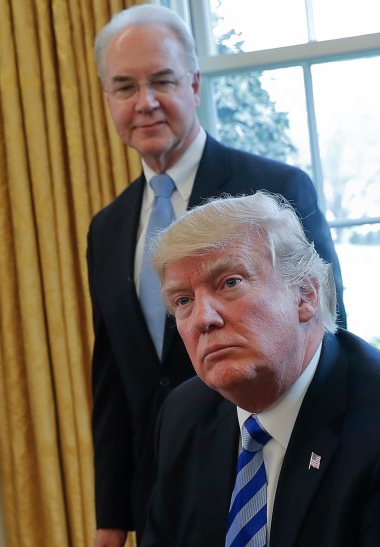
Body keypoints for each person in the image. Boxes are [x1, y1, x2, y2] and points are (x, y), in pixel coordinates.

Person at [87, 5, 346, 546]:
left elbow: (327, 329)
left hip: (272, 468)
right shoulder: (106, 228)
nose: (146, 102)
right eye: (125, 87)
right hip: (163, 493)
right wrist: (109, 519)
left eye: (161, 80)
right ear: (108, 99)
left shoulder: (274, 189)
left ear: (195, 84)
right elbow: (112, 378)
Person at [142, 193, 380, 546]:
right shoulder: (183, 415)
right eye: (183, 300)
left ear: (306, 295)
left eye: (230, 283)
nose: (204, 318)